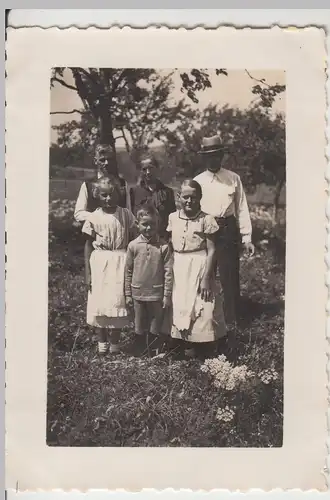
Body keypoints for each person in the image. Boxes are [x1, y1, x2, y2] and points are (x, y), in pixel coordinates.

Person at [194, 135, 255, 327]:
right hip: (206, 230)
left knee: (229, 275)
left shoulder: (233, 178)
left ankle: (231, 320)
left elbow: (242, 207)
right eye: (209, 156)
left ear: (221, 156)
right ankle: (207, 319)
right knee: (205, 273)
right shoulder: (198, 181)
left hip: (228, 229)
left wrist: (247, 237)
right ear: (204, 158)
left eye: (217, 155)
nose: (213, 159)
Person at [167, 179, 226, 358]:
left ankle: (205, 348)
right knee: (180, 303)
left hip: (199, 264)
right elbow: (170, 245)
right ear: (179, 197)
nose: (189, 201)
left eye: (193, 197)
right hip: (178, 265)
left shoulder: (206, 219)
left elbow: (212, 249)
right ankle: (185, 346)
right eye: (185, 197)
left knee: (202, 305)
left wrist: (207, 277)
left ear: (200, 197)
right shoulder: (172, 217)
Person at [83, 175, 136, 355]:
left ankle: (115, 343)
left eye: (111, 194)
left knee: (117, 300)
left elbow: (136, 236)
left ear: (118, 194)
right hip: (100, 262)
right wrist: (88, 274)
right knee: (100, 300)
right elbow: (88, 245)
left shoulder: (126, 214)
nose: (108, 199)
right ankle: (101, 342)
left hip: (120, 260)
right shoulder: (94, 216)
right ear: (98, 195)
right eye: (104, 195)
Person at [124, 203, 173, 356]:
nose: (148, 228)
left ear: (158, 224)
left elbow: (168, 272)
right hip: (137, 292)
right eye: (145, 224)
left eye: (152, 224)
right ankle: (139, 351)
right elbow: (128, 271)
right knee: (139, 322)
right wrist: (127, 293)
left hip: (156, 292)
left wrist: (166, 295)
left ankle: (153, 351)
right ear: (137, 225)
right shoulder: (133, 246)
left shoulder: (163, 246)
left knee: (155, 322)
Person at [74, 143, 132, 223]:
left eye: (110, 159)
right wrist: (99, 218)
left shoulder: (123, 184)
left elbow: (129, 212)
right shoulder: (88, 185)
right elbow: (78, 213)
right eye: (102, 160)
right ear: (95, 161)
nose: (107, 163)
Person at [130, 152, 176, 241]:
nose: (148, 172)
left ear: (157, 169)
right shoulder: (134, 192)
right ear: (140, 171)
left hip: (162, 240)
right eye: (144, 169)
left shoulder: (167, 192)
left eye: (151, 168)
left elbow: (172, 220)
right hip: (141, 241)